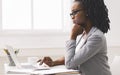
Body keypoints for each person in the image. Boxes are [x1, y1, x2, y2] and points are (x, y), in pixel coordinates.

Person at [37, 0, 112, 75]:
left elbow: (70, 64)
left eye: (75, 12)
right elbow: (75, 57)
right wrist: (53, 62)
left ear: (87, 12)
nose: (72, 17)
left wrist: (73, 36)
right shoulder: (84, 34)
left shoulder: (96, 37)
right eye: (71, 13)